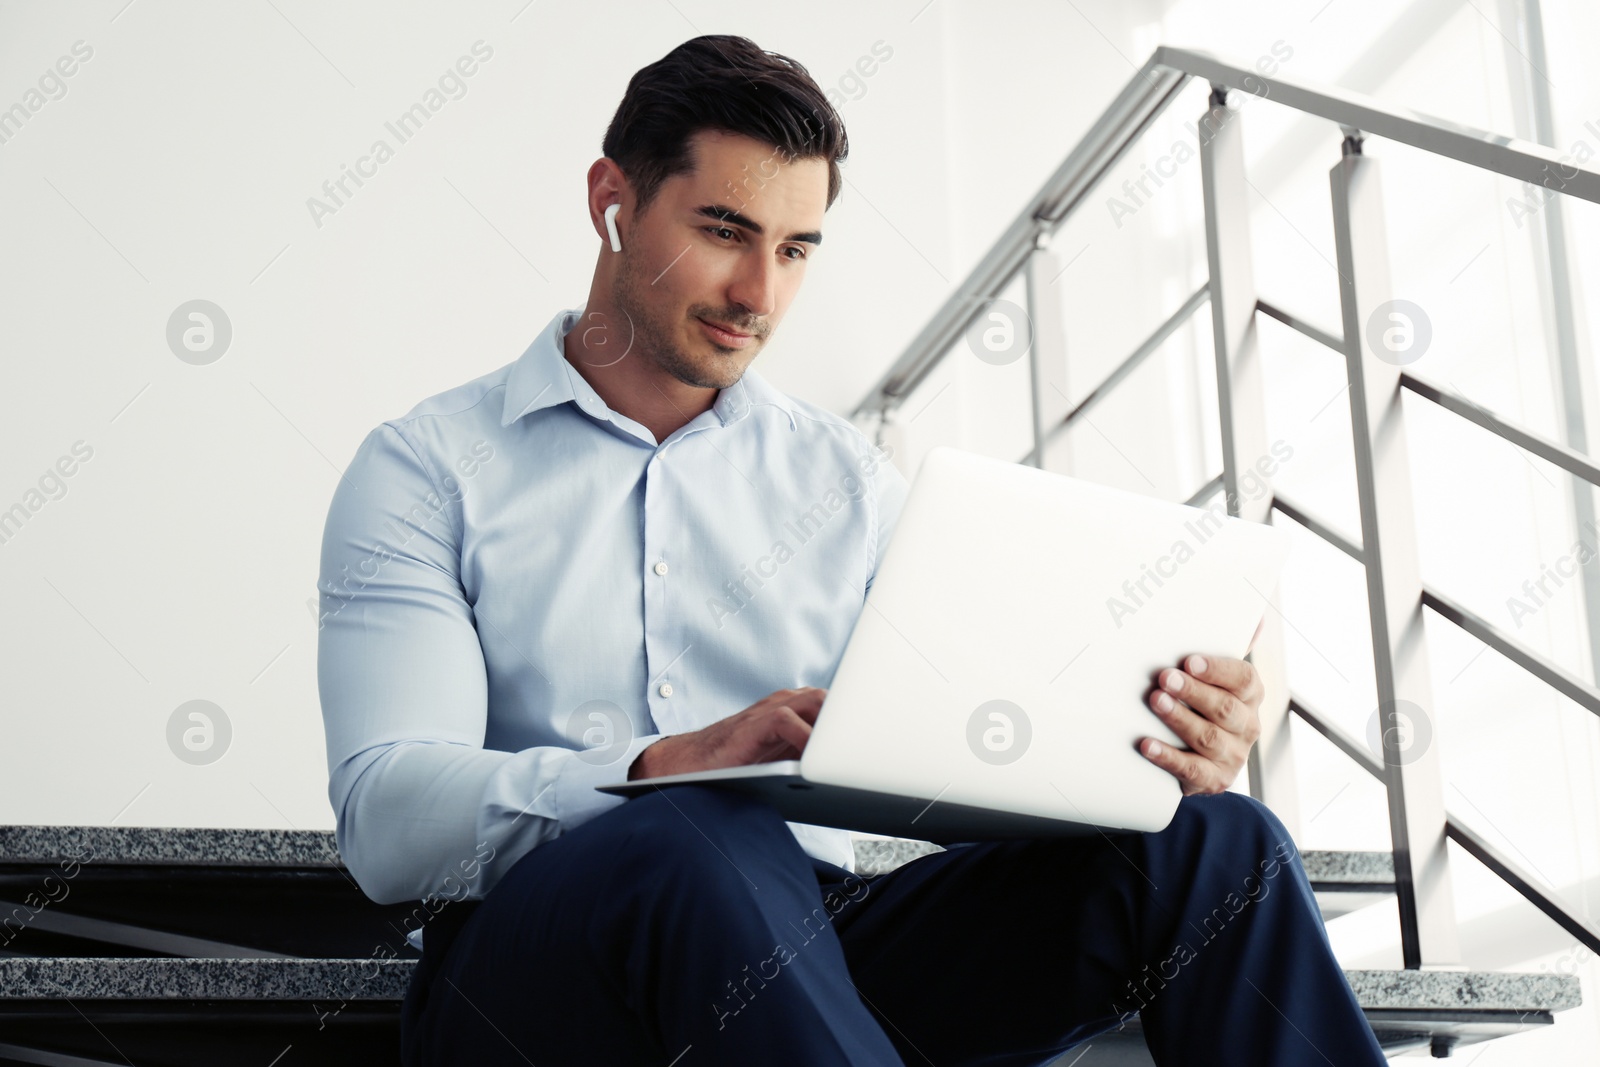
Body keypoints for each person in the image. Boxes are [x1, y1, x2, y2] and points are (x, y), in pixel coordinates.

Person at [315, 33, 1388, 1067]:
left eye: (794, 250)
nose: (760, 295)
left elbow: (965, 754)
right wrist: (657, 765)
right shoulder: (429, 469)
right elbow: (387, 821)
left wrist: (1149, 746)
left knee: (1217, 847)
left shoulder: (847, 488)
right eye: (726, 231)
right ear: (612, 201)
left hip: (810, 952)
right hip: (527, 976)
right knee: (700, 828)